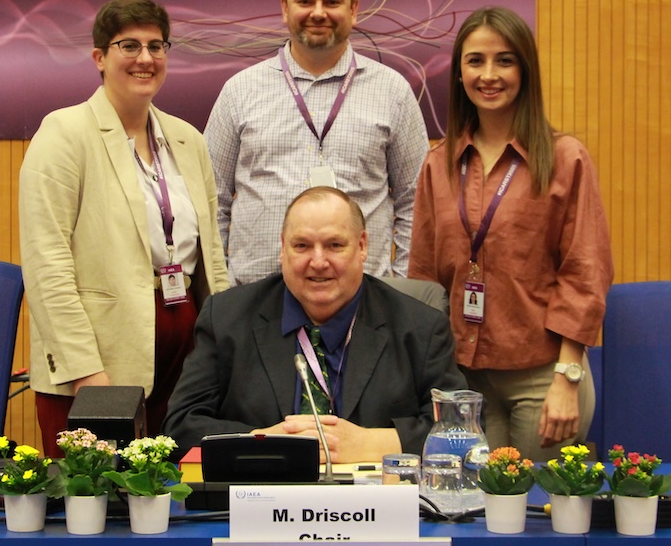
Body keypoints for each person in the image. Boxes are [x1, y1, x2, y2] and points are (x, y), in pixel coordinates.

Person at [19, 0, 230, 458]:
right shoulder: (63, 134)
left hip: (184, 347)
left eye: (156, 46)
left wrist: (223, 347)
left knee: (173, 503)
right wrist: (84, 371)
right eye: (128, 46)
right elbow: (45, 264)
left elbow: (211, 254)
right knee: (96, 507)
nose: (145, 59)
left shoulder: (187, 140)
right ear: (99, 57)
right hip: (100, 357)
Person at [408, 6, 614, 459]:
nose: (489, 74)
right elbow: (424, 278)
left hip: (542, 376)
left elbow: (585, 272)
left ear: (525, 70)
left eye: (505, 60)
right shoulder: (438, 164)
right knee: (469, 512)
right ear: (459, 73)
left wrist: (567, 378)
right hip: (463, 382)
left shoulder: (564, 158)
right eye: (475, 60)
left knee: (531, 514)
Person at [163, 187, 465, 462]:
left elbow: (462, 431)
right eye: (302, 245)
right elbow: (179, 428)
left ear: (362, 246)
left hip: (373, 509)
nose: (318, 261)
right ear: (283, 248)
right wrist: (262, 441)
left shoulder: (421, 327)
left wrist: (377, 442)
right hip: (259, 505)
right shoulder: (227, 318)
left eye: (334, 245)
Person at [204, 0, 429, 285]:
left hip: (364, 305)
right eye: (305, 0)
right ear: (285, 8)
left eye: (332, 1)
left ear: (354, 9)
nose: (318, 13)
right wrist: (221, 292)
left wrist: (397, 291)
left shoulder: (392, 92)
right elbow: (211, 203)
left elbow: (418, 206)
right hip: (254, 303)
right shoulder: (239, 91)